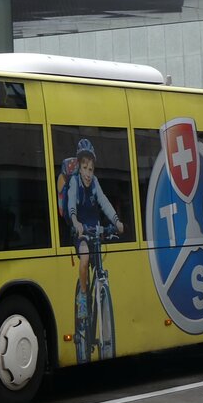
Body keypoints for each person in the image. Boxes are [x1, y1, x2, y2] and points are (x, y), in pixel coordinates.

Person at [67, 139, 123, 362]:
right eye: (84, 168)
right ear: (79, 167)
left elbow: (105, 203)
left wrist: (116, 221)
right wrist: (75, 221)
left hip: (95, 231)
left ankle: (99, 296)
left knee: (99, 261)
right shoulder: (74, 183)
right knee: (85, 258)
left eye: (91, 169)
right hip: (80, 233)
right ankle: (83, 297)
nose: (88, 173)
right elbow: (71, 203)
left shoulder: (95, 183)